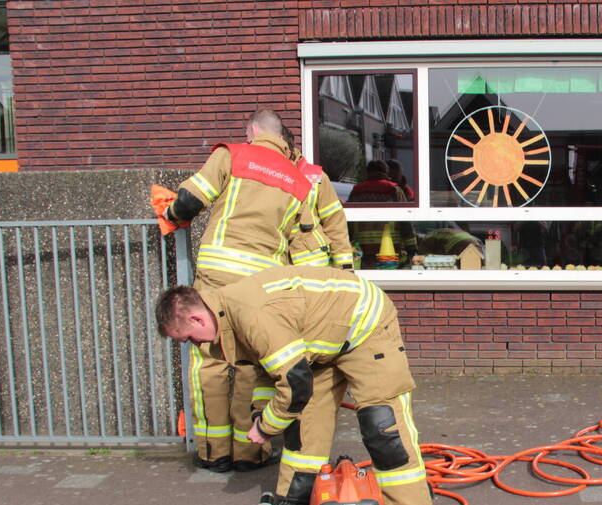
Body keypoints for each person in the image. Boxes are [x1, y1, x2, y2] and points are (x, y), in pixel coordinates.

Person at [155, 266, 432, 505]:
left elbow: (295, 383)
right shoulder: (227, 322)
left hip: (365, 325)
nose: (195, 346)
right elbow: (268, 374)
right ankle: (298, 500)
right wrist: (262, 415)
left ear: (197, 317)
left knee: (382, 425)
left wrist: (265, 428)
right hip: (320, 344)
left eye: (189, 338)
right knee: (303, 426)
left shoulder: (251, 314)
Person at [159, 108, 351, 473]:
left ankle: (212, 452)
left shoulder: (232, 155)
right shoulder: (299, 181)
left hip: (216, 276)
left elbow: (189, 201)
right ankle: (251, 452)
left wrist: (169, 216)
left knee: (209, 363)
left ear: (252, 131)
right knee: (251, 366)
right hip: (260, 285)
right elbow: (307, 240)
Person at [280, 125, 355, 269]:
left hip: (311, 268)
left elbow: (335, 224)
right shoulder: (259, 174)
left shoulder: (317, 177)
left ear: (284, 146)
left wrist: (346, 269)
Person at [346, 160, 416, 268]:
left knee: (369, 281)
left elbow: (348, 220)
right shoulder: (394, 190)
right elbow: (405, 220)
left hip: (364, 251)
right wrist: (411, 249)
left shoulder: (357, 191)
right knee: (389, 280)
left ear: (368, 172)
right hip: (389, 249)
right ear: (386, 173)